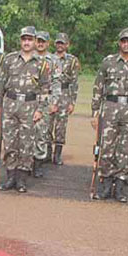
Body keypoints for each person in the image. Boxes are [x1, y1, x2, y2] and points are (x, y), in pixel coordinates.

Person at [90, 28, 128, 202]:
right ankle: (105, 184)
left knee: (126, 150)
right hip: (110, 107)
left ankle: (120, 185)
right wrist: (95, 113)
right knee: (107, 148)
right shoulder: (108, 62)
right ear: (119, 43)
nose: (126, 44)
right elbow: (98, 88)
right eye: (123, 41)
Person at [0, 26, 56, 193]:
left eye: (30, 39)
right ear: (20, 40)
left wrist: (40, 110)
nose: (27, 42)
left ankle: (21, 179)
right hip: (10, 104)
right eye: (24, 39)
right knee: (9, 143)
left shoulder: (42, 64)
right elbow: (0, 84)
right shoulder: (9, 59)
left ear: (35, 41)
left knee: (26, 144)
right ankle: (10, 177)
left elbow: (45, 89)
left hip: (30, 107)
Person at [31, 30, 60, 177]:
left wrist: (54, 102)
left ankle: (38, 164)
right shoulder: (30, 57)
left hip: (46, 100)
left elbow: (56, 82)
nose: (40, 44)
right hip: (29, 100)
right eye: (38, 41)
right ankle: (26, 162)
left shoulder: (53, 60)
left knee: (41, 134)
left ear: (48, 43)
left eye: (43, 41)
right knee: (27, 132)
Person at [49, 33, 80, 165]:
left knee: (61, 127)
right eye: (58, 43)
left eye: (62, 43)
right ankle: (46, 153)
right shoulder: (49, 58)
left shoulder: (72, 61)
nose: (60, 45)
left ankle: (57, 154)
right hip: (51, 93)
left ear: (67, 45)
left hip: (65, 94)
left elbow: (74, 82)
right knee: (47, 125)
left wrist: (72, 102)